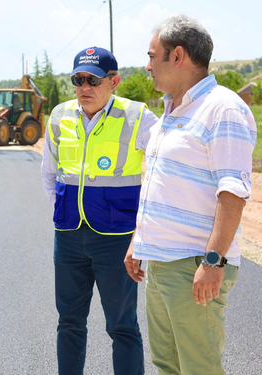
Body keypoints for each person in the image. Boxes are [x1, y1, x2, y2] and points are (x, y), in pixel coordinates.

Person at [124, 15, 257, 375]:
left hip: (195, 264)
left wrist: (212, 262)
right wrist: (140, 240)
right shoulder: (171, 110)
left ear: (177, 56)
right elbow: (160, 184)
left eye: (152, 56)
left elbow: (232, 193)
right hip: (161, 262)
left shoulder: (222, 108)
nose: (147, 66)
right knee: (168, 364)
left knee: (199, 368)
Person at [41, 46, 159, 375]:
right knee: (69, 323)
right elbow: (49, 173)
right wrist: (64, 212)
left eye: (92, 80)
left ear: (114, 81)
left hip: (117, 240)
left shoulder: (138, 116)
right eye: (78, 80)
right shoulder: (60, 115)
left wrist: (142, 231)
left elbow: (164, 169)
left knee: (122, 326)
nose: (84, 88)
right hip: (67, 236)